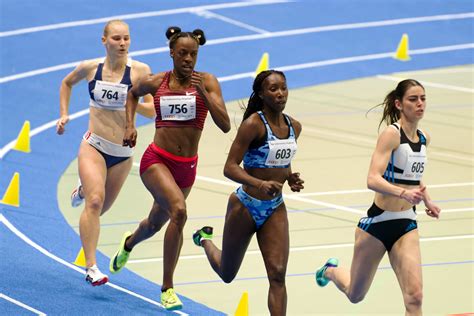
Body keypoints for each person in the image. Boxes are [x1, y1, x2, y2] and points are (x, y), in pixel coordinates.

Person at [109, 26, 230, 310]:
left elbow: (225, 125)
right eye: (183, 54)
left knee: (154, 223)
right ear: (172, 53)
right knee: (179, 211)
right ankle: (167, 288)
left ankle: (129, 243)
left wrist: (204, 93)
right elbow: (132, 93)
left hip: (186, 168)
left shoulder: (208, 81)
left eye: (193, 54)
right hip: (157, 161)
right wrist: (129, 125)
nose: (188, 59)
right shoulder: (158, 82)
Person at [315, 79, 441, 315]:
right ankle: (330, 270)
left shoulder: (424, 138)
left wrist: (427, 200)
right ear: (399, 104)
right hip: (378, 224)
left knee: (415, 297)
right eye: (413, 99)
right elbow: (373, 179)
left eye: (423, 98)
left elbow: (414, 176)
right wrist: (403, 192)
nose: (420, 104)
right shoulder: (391, 135)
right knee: (355, 294)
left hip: (406, 224)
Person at [192, 70, 304, 315]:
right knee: (227, 273)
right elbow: (229, 167)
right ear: (261, 94)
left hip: (275, 207)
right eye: (273, 89)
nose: (280, 93)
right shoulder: (253, 124)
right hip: (245, 205)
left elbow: (281, 163)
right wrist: (258, 184)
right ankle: (204, 239)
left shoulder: (294, 126)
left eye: (283, 87)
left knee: (277, 274)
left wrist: (290, 177)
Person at [56, 19, 155, 286]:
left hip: (122, 154)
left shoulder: (141, 72)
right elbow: (66, 83)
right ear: (104, 41)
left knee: (102, 208)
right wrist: (64, 114)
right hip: (94, 145)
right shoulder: (91, 68)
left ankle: (82, 190)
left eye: (126, 38)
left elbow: (153, 109)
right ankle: (91, 268)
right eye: (116, 39)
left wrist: (130, 100)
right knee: (95, 202)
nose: (122, 43)